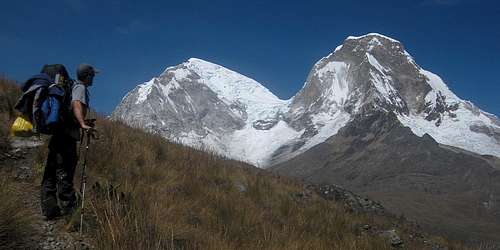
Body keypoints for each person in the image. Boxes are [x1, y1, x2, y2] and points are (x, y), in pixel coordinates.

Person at [40, 63, 99, 220]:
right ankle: (69, 210)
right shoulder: (80, 88)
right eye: (92, 75)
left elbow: (72, 108)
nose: (93, 78)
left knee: (51, 170)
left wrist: (83, 121)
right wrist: (82, 124)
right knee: (65, 171)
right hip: (67, 136)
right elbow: (76, 104)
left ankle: (49, 208)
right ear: (87, 76)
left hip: (58, 133)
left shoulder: (71, 87)